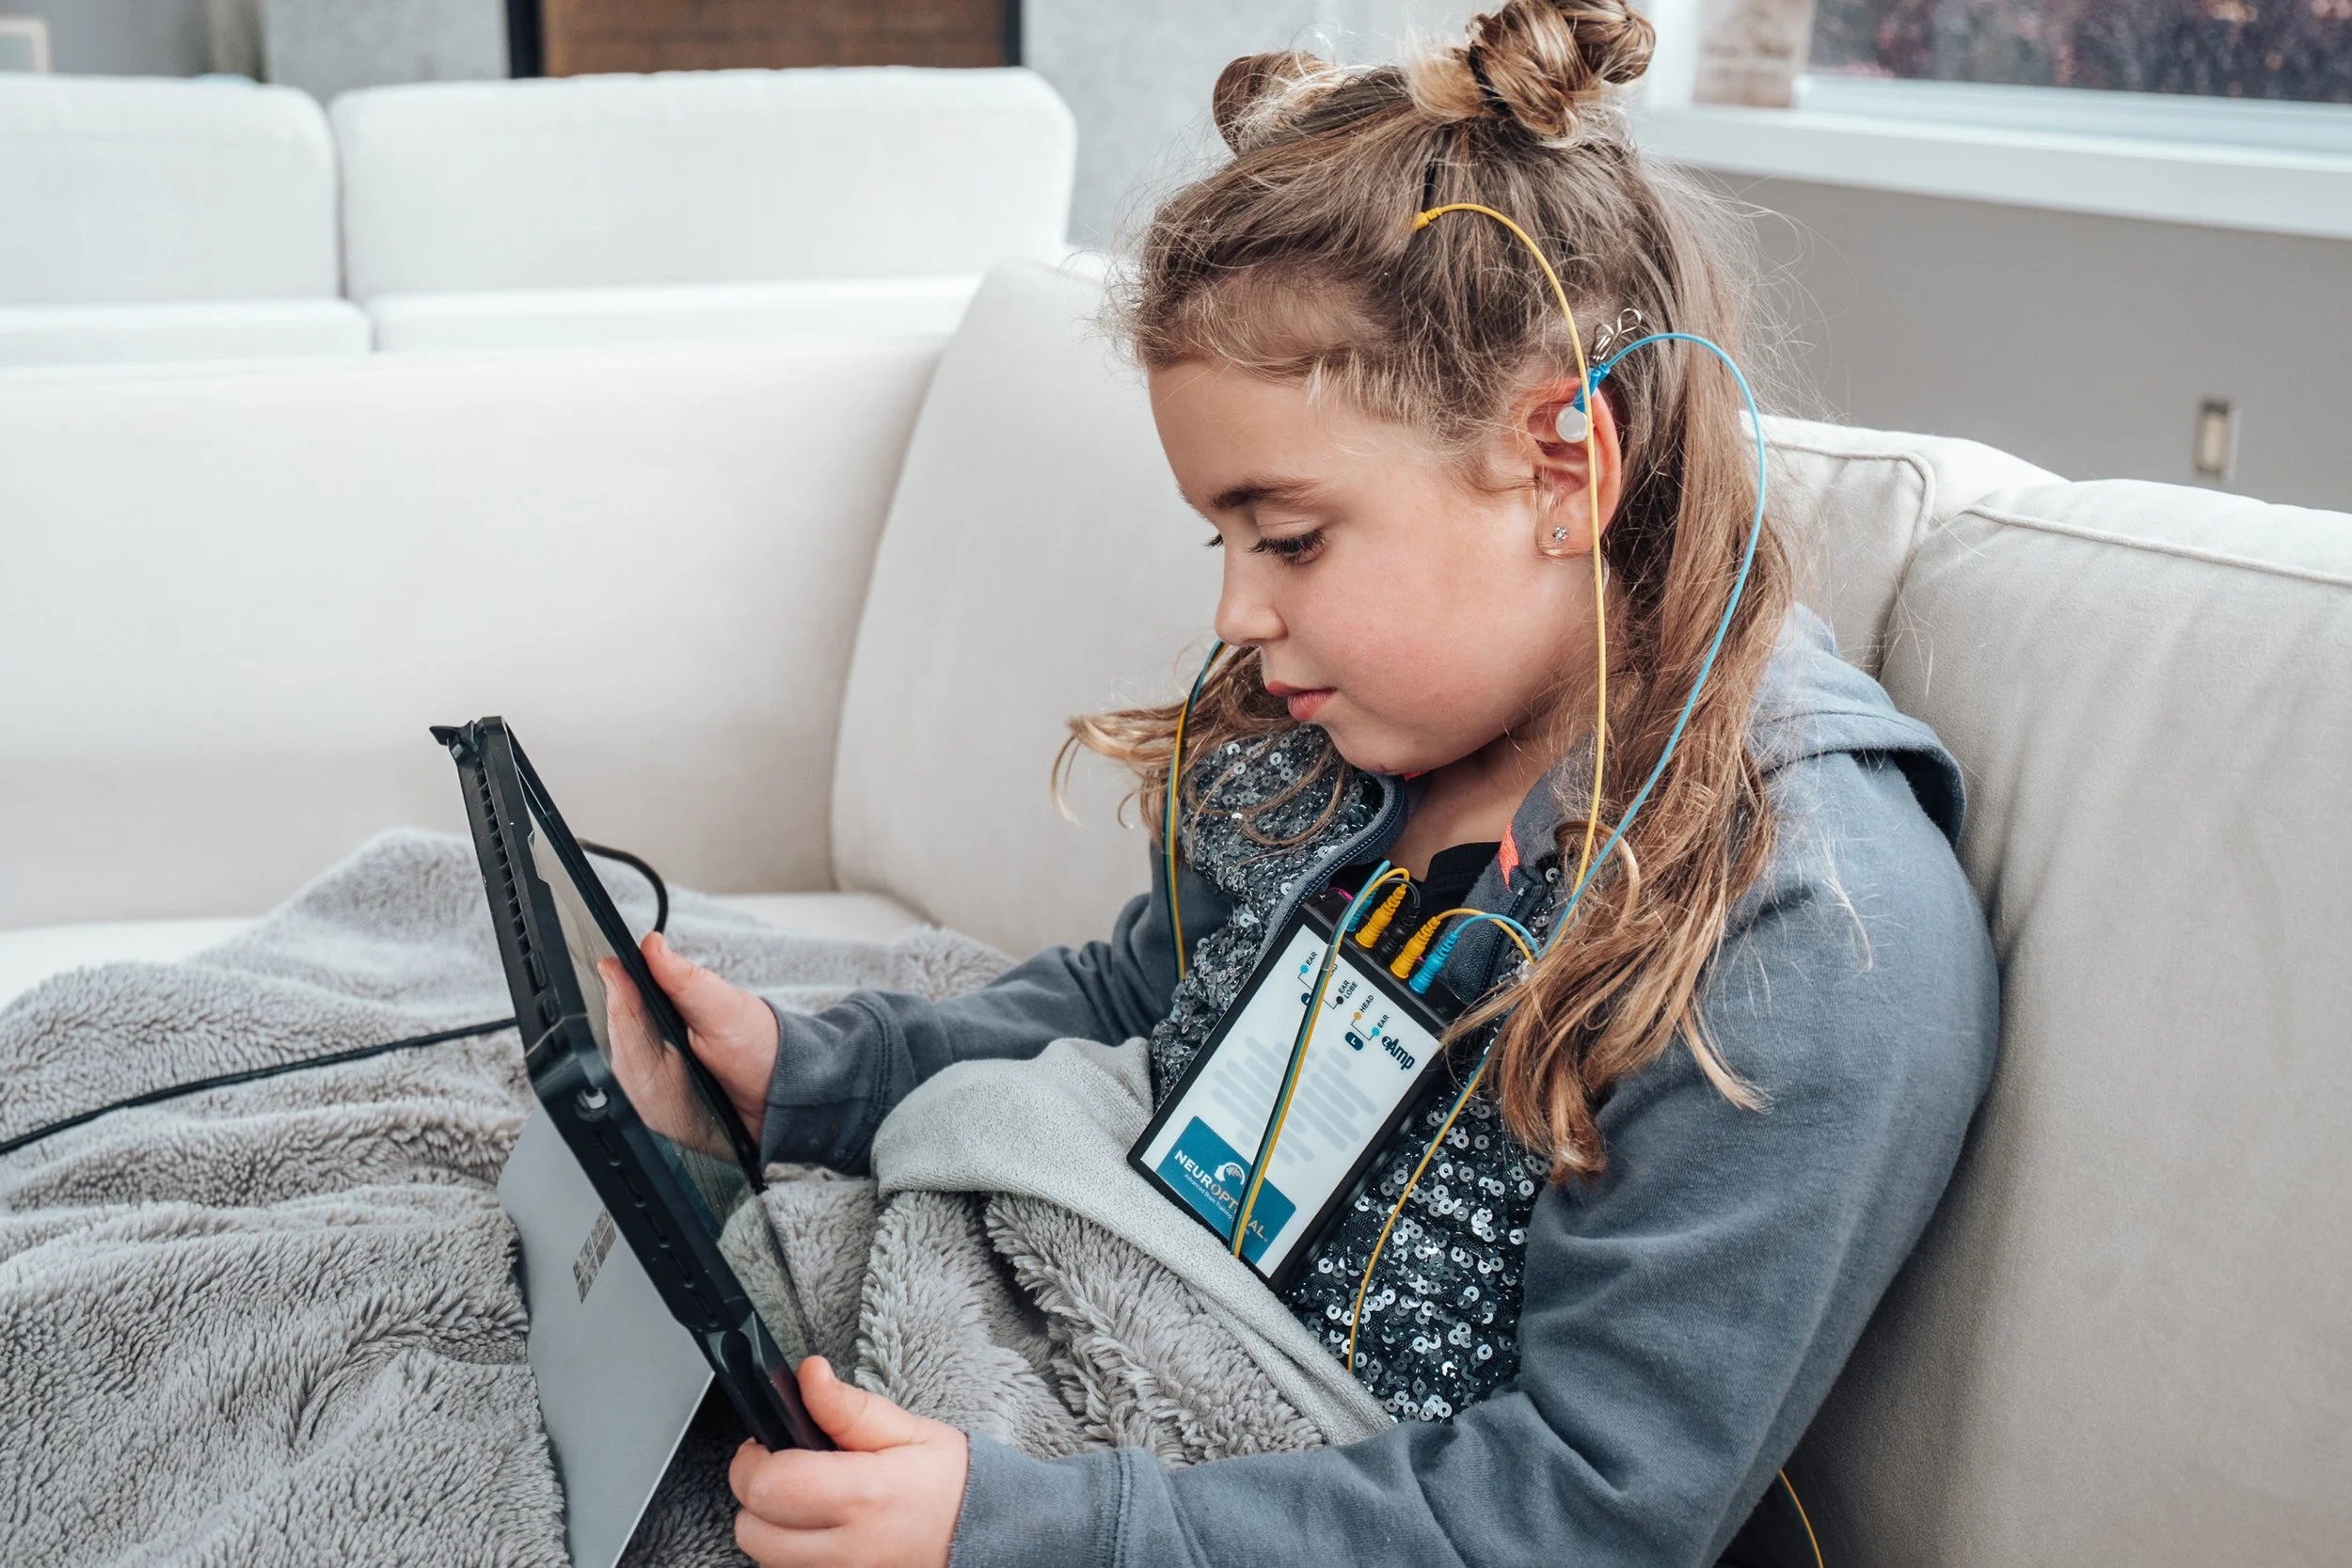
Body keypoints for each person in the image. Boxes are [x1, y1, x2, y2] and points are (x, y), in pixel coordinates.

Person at [636, 4, 1998, 1563]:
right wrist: (810, 1074)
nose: (1237, 611)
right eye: (1219, 540)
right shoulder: (1329, 742)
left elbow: (1586, 1514)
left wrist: (1023, 1527)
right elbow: (1151, 1000)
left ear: (1565, 471)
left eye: (1288, 538)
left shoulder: (1800, 935)